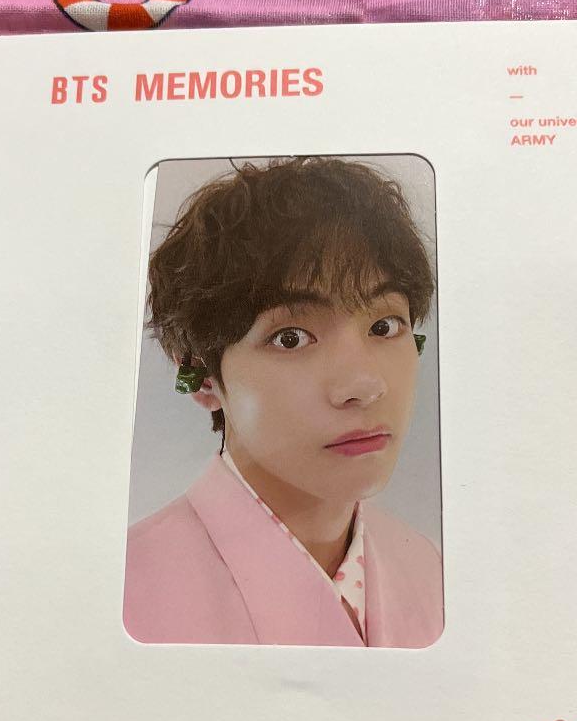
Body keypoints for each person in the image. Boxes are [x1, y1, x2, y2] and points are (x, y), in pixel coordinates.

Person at [124, 156, 443, 648]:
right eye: (291, 338)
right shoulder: (129, 594)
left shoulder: (430, 569)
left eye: (384, 327)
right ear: (201, 375)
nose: (364, 385)